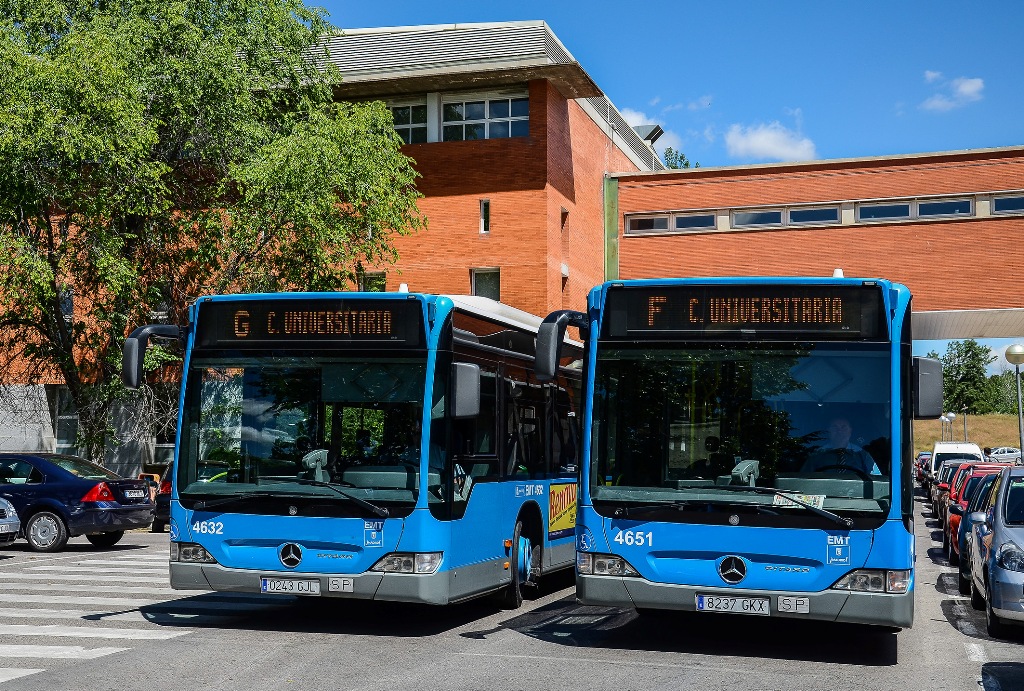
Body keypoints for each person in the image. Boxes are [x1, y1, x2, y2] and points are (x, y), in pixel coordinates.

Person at [803, 417, 880, 475]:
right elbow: (804, 479)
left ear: (850, 431)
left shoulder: (863, 455)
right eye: (834, 427)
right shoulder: (816, 455)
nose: (839, 431)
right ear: (829, 431)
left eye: (844, 427)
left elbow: (877, 480)